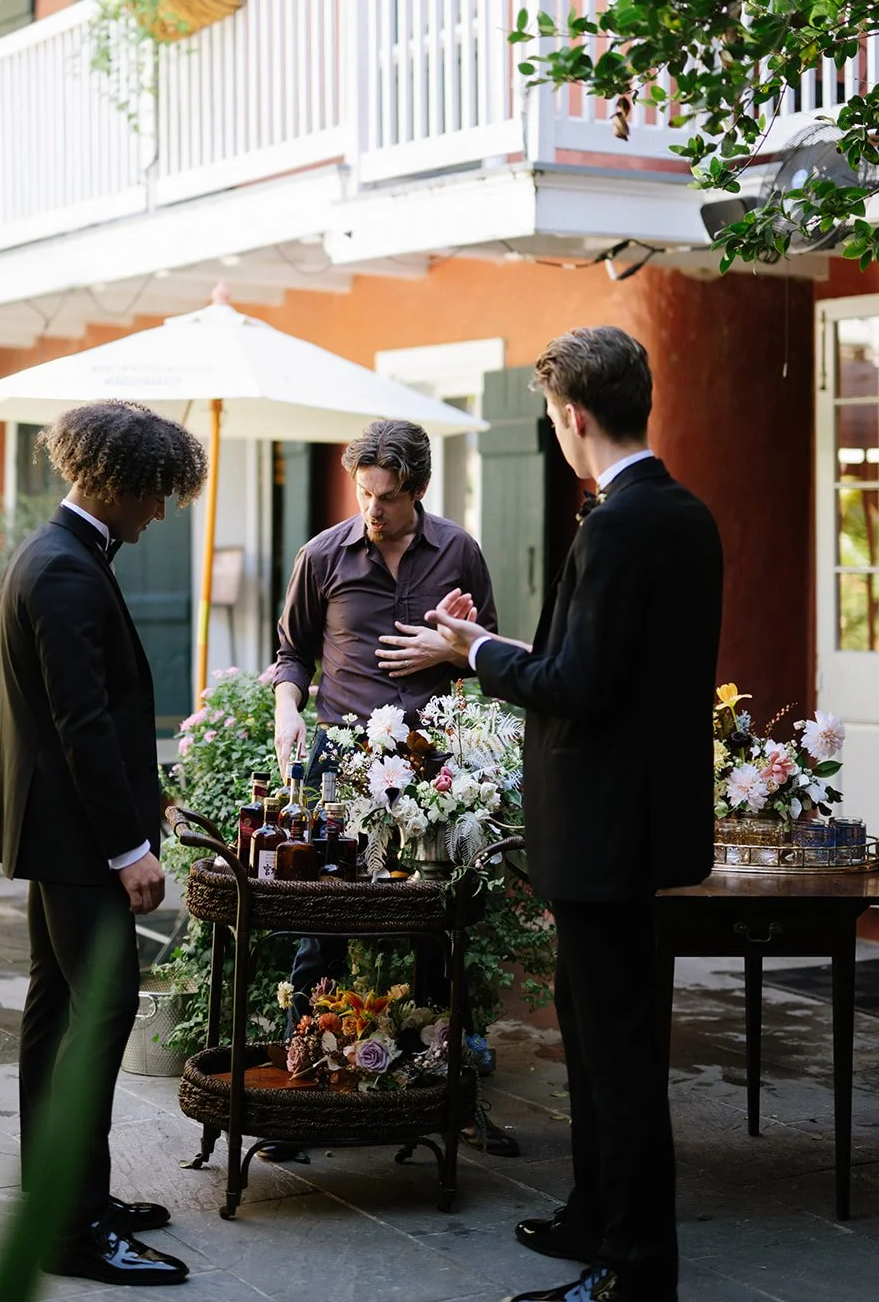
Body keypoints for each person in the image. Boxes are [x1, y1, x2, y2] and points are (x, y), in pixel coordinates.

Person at [428, 327, 723, 1302]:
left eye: (552, 418)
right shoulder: (681, 513)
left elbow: (578, 687)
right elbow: (611, 671)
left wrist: (471, 655)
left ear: (572, 416)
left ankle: (633, 1271)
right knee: (593, 1034)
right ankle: (593, 1215)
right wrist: (491, 639)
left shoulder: (619, 525)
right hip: (629, 827)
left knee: (618, 1060)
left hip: (601, 833)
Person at [0, 400, 207, 1287]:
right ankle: (75, 1231)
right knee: (98, 1017)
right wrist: (128, 850)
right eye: (155, 497)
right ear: (116, 482)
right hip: (78, 841)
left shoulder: (52, 551)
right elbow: (82, 728)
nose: (158, 516)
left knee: (54, 1012)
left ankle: (64, 1198)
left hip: (55, 832)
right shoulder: (65, 570)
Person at [270, 417, 517, 1156]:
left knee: (437, 936)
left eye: (385, 496)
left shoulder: (460, 552)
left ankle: (446, 1101)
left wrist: (452, 646)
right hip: (340, 769)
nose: (371, 509)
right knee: (323, 933)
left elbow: (492, 655)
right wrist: (286, 712)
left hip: (435, 775)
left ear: (417, 489)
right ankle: (301, 1103)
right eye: (362, 492)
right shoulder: (321, 556)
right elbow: (292, 654)